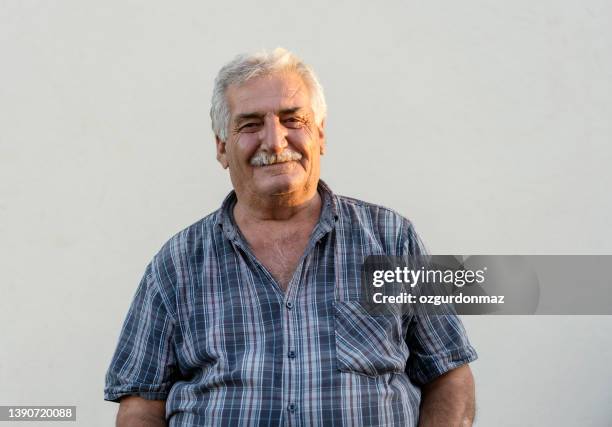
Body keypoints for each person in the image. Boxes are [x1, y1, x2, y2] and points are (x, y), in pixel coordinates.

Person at [104, 47, 478, 426]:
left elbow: (449, 375)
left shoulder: (393, 239)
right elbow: (140, 404)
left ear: (320, 134)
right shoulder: (176, 263)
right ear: (221, 147)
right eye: (250, 124)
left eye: (292, 119)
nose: (275, 141)